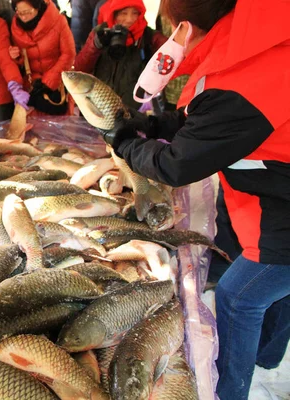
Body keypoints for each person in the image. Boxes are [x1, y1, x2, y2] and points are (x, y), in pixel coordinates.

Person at [100, 0, 290, 399]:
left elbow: (179, 164)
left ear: (184, 23)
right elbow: (208, 123)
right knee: (279, 287)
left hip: (283, 210)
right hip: (273, 193)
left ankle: (231, 390)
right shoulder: (259, 42)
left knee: (239, 297)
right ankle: (268, 356)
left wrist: (128, 147)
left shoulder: (243, 78)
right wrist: (151, 126)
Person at [74, 0, 166, 110]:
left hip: (132, 111)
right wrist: (95, 45)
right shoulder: (101, 32)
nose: (129, 19)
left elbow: (171, 53)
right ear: (114, 14)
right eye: (124, 13)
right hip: (97, 106)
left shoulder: (148, 36)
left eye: (135, 13)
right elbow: (80, 68)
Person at [9, 0, 75, 116]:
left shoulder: (58, 21)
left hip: (57, 84)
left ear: (37, 7)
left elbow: (68, 54)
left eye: (27, 12)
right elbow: (21, 64)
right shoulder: (16, 28)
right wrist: (17, 57)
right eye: (19, 13)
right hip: (32, 89)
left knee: (59, 129)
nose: (23, 17)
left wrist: (49, 81)